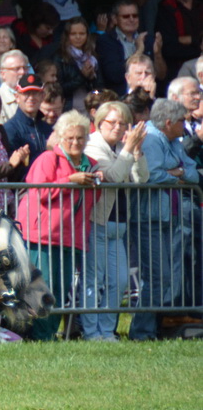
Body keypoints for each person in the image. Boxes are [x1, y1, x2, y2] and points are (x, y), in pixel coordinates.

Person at [17, 111, 100, 338]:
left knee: (61, 291)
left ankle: (47, 335)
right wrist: (70, 181)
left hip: (72, 237)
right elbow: (39, 192)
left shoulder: (91, 165)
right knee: (43, 290)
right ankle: (37, 336)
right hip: (42, 237)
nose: (75, 142)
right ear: (61, 138)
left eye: (80, 138)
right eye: (70, 138)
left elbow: (94, 200)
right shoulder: (48, 159)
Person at [78, 101, 147, 340]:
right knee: (93, 280)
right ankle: (90, 332)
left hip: (118, 224)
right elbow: (116, 176)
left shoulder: (121, 147)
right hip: (96, 221)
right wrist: (128, 147)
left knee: (118, 282)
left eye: (122, 123)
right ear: (100, 123)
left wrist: (136, 151)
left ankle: (106, 331)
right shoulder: (92, 145)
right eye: (112, 122)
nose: (118, 127)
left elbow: (141, 179)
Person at [131, 99, 200, 339]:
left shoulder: (173, 140)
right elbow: (151, 177)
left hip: (167, 217)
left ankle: (149, 329)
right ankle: (142, 332)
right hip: (148, 218)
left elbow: (191, 171)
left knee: (166, 277)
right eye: (183, 120)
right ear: (169, 122)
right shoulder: (151, 139)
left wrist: (177, 173)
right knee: (157, 278)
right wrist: (177, 174)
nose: (186, 124)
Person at [154, 0, 200, 78]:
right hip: (177, 71)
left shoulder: (201, 6)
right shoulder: (166, 7)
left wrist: (190, 40)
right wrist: (198, 43)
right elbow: (168, 47)